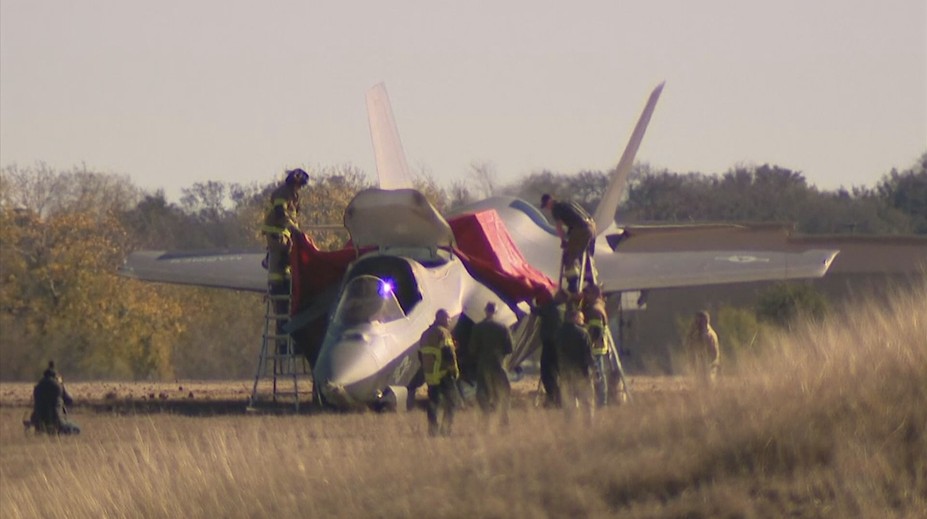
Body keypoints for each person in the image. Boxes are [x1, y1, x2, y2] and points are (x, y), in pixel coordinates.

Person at [262, 168, 309, 352]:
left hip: (284, 237)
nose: (299, 188)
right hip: (277, 237)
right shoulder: (283, 193)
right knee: (278, 270)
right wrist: (295, 230)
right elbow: (281, 213)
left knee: (285, 266)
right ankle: (277, 285)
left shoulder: (293, 194)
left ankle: (284, 281)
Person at [467, 302, 513, 427]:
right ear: (495, 312)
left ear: (485, 311)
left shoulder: (478, 328)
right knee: (503, 392)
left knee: (483, 393)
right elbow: (510, 348)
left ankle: (485, 420)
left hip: (483, 365)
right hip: (499, 364)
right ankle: (504, 420)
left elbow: (472, 349)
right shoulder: (503, 327)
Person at [540, 194, 597, 294]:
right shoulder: (568, 202)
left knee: (569, 255)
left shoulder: (556, 208)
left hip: (582, 229)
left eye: (546, 206)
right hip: (592, 227)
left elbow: (559, 227)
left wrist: (563, 241)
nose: (547, 209)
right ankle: (591, 280)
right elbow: (579, 217)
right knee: (584, 255)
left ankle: (573, 285)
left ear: (549, 202)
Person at [418, 309, 460, 436]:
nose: (450, 321)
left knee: (433, 402)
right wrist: (454, 370)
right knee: (453, 401)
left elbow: (421, 355)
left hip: (430, 375)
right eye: (448, 319)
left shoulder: (425, 334)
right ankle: (446, 429)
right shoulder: (443, 333)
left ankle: (433, 430)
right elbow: (448, 353)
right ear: (441, 318)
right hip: (443, 373)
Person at [555, 306, 596, 423]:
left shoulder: (558, 333)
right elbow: (589, 356)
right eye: (581, 318)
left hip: (565, 375)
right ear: (574, 318)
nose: (582, 321)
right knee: (587, 404)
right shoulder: (583, 334)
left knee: (569, 406)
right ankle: (588, 428)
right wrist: (595, 371)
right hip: (582, 375)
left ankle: (570, 428)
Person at [29, 361, 80, 435]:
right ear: (55, 376)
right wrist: (61, 384)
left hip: (39, 422)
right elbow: (69, 401)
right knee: (77, 429)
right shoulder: (58, 386)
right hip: (56, 422)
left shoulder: (38, 387)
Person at [581, 284, 610, 407]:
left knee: (597, 375)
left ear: (593, 294)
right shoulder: (598, 306)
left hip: (594, 348)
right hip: (597, 348)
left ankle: (600, 402)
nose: (585, 296)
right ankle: (601, 401)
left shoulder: (594, 310)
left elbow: (596, 330)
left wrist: (588, 343)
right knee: (599, 374)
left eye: (587, 294)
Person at [684, 311, 721, 387]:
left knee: (707, 385)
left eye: (698, 321)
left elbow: (713, 353)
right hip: (702, 365)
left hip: (708, 365)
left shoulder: (708, 335)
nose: (696, 323)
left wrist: (708, 363)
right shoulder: (699, 334)